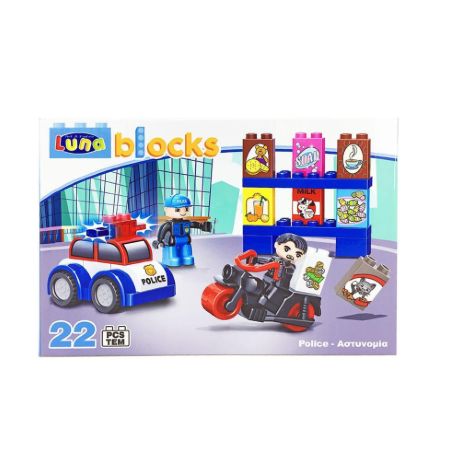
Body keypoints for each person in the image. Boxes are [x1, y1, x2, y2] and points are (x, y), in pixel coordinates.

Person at [242, 233, 308, 321]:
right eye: (287, 249)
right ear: (277, 245)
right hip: (268, 281)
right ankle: (250, 304)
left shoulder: (290, 266)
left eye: (298, 254)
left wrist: (280, 266)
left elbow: (287, 269)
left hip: (280, 286)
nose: (291, 255)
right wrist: (256, 260)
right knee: (257, 288)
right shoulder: (275, 259)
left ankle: (261, 310)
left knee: (265, 299)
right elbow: (267, 261)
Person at [152, 193, 212, 267]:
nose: (183, 212)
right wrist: (159, 240)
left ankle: (187, 258)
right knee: (173, 254)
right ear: (167, 209)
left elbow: (194, 224)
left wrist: (202, 226)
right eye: (178, 210)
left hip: (185, 240)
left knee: (187, 253)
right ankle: (172, 259)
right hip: (173, 241)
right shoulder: (169, 224)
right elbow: (162, 231)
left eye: (186, 209)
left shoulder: (186, 223)